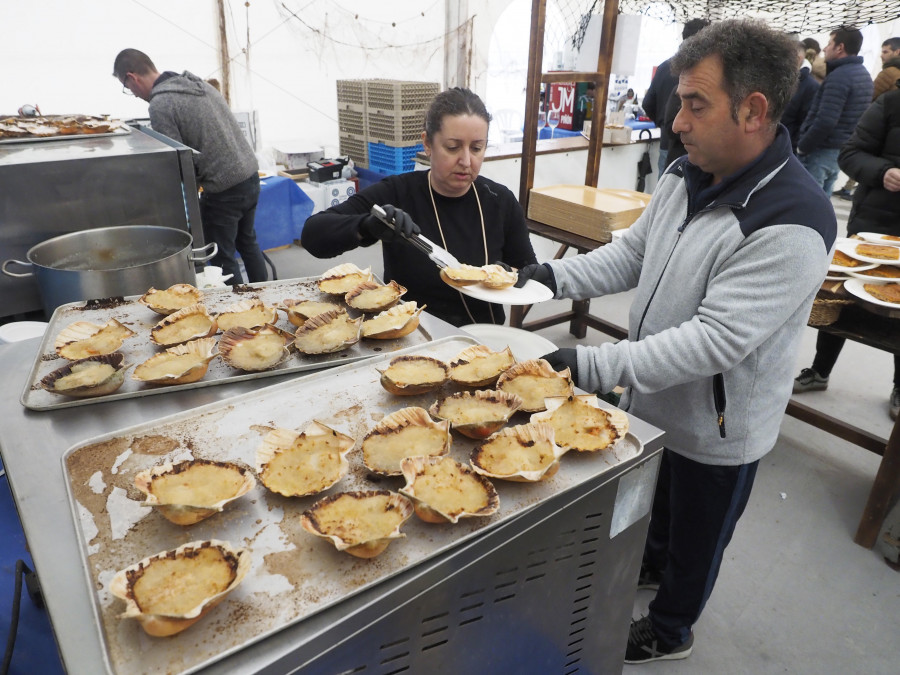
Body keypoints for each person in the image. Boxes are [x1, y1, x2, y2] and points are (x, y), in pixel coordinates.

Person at [515, 19, 835, 663]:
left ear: (754, 110)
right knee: (657, 511)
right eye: (679, 101)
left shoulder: (793, 220)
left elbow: (715, 342)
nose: (676, 122)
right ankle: (652, 567)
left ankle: (671, 628)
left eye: (695, 104)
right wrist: (544, 277)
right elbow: (631, 256)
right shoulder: (687, 174)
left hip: (720, 427)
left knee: (698, 536)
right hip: (655, 401)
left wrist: (585, 366)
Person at [301, 87, 536, 327]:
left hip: (482, 337)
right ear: (427, 144)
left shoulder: (500, 201)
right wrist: (366, 227)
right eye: (453, 147)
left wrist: (508, 275)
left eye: (477, 148)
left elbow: (530, 272)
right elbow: (313, 235)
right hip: (408, 333)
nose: (466, 161)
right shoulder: (397, 192)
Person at [112, 49, 268, 285]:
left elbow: (178, 160)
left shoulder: (161, 103)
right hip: (249, 175)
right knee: (247, 242)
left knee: (222, 256)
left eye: (127, 87)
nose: (132, 94)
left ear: (132, 77)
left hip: (224, 187)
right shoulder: (197, 84)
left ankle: (239, 313)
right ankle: (265, 294)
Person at [794, 82, 900, 420]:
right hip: (875, 226)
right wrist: (884, 172)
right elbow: (850, 154)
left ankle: (899, 386)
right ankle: (820, 370)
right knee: (839, 299)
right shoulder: (890, 104)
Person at [796, 26, 873, 196]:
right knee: (823, 202)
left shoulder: (839, 77)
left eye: (830, 43)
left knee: (808, 202)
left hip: (820, 151)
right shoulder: (863, 75)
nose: (824, 48)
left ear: (840, 47)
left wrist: (803, 146)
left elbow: (826, 120)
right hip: (839, 150)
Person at [833, 37, 900, 200]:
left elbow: (873, 95)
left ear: (897, 52)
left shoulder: (889, 73)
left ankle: (848, 189)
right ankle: (848, 189)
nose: (881, 56)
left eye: (886, 52)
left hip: (878, 131)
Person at [641, 18, 710, 175]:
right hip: (683, 148)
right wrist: (667, 124)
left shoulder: (665, 67)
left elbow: (647, 103)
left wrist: (663, 123)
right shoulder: (705, 72)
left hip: (670, 144)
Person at [782, 41, 820, 153]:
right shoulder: (779, 78)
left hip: (785, 147)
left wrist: (792, 148)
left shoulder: (810, 86)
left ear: (798, 59)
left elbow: (804, 122)